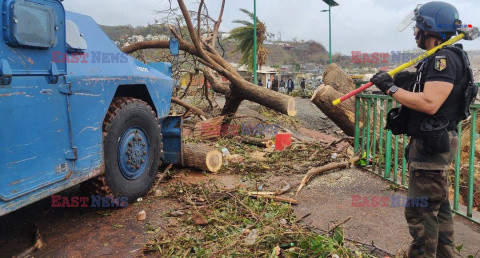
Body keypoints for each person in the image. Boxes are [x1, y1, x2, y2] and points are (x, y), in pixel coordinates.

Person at [370, 2, 477, 257]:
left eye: (418, 25)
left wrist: (391, 90)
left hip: (432, 148)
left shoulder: (443, 59)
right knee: (438, 209)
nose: (414, 31)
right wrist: (402, 83)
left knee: (420, 213)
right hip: (432, 144)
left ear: (429, 29)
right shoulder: (440, 57)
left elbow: (430, 103)